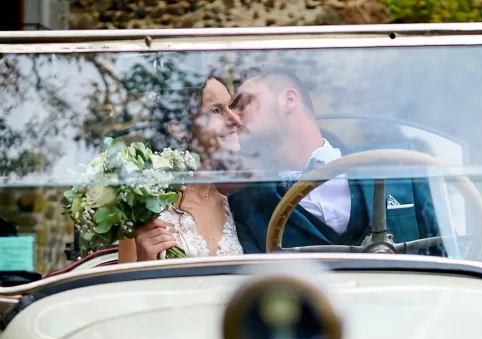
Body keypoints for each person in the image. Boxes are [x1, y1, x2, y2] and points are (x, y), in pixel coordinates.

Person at [227, 67, 446, 256]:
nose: (234, 118)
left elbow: (445, 252)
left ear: (289, 100)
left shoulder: (400, 165)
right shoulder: (245, 204)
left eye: (244, 103)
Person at [118, 76, 243, 263]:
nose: (235, 119)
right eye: (216, 110)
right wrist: (145, 261)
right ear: (179, 130)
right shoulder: (145, 208)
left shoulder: (237, 205)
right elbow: (124, 290)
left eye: (231, 106)